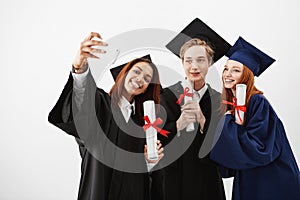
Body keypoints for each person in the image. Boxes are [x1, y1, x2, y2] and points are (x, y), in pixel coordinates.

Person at [48, 32, 165, 200]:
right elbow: (83, 102)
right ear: (124, 74)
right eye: (137, 71)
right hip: (97, 191)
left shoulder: (143, 127)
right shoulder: (101, 105)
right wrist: (80, 68)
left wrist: (150, 162)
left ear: (148, 87)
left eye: (147, 78)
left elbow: (146, 179)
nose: (140, 79)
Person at [210, 36, 300, 200]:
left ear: (247, 75)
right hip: (251, 176)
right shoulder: (233, 103)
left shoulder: (257, 102)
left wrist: (227, 122)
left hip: (273, 178)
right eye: (226, 69)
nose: (228, 74)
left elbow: (258, 148)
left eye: (236, 70)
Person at [158, 18, 231, 200]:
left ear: (210, 63)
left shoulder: (219, 100)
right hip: (173, 177)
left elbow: (224, 145)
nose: (194, 66)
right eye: (188, 60)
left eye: (200, 60)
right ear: (182, 63)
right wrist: (177, 125)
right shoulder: (166, 95)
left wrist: (203, 121)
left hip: (206, 178)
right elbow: (154, 138)